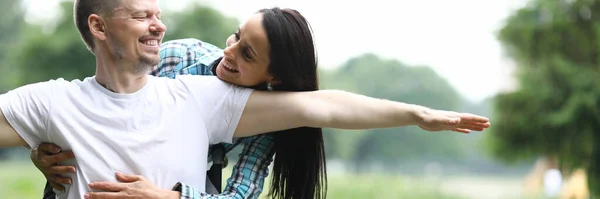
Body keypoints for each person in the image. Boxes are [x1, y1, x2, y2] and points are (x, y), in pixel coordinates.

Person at [0, 1, 491, 199]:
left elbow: (322, 105)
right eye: (235, 37)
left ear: (272, 79)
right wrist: (43, 142)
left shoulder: (221, 105)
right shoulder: (182, 62)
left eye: (246, 53)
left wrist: (417, 114)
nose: (226, 54)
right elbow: (105, 97)